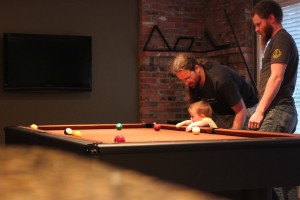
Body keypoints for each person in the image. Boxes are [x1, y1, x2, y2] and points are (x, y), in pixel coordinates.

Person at [250, 1, 299, 199]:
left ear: (271, 18)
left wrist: (259, 111)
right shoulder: (277, 41)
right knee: (279, 174)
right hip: (281, 112)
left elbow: (277, 77)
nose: (257, 30)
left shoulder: (281, 39)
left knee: (269, 172)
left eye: (258, 24)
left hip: (278, 111)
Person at [171, 53, 258, 130]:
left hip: (247, 110)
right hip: (222, 113)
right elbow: (201, 113)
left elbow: (241, 111)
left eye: (187, 78)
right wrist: (193, 122)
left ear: (197, 68)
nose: (186, 83)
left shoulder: (221, 79)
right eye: (182, 80)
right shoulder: (192, 84)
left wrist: (232, 138)